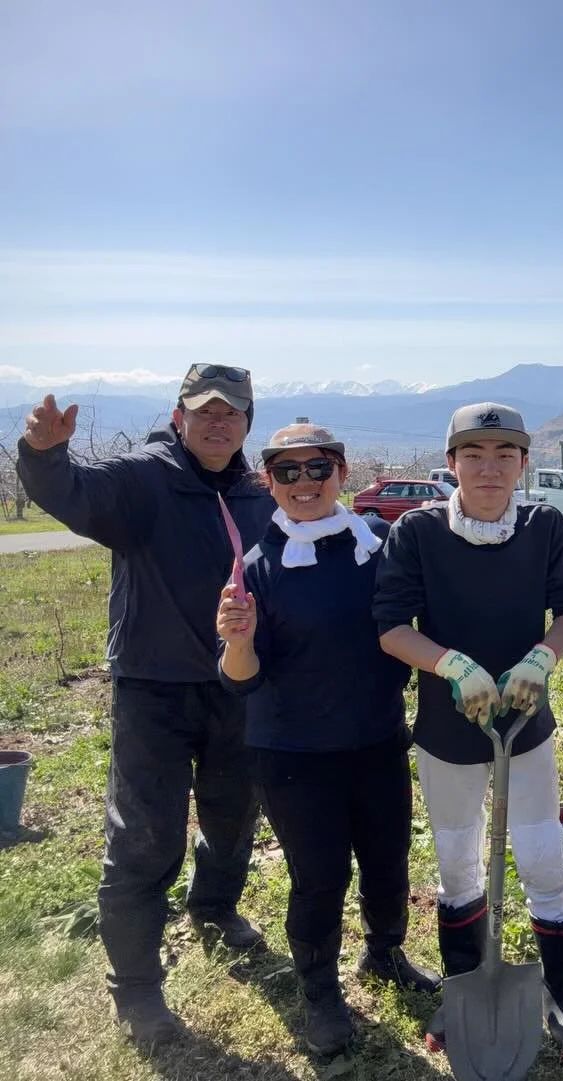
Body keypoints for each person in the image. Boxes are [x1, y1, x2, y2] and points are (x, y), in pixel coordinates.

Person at [15, 365, 273, 1047]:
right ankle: (135, 986)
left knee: (232, 812)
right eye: (204, 412)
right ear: (179, 415)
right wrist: (43, 455)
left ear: (248, 421)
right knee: (146, 834)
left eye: (232, 413)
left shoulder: (256, 491)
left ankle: (214, 906)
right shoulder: (143, 477)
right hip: (153, 688)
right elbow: (74, 492)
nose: (218, 423)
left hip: (237, 687)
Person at [372, 402, 563, 1061]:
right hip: (449, 729)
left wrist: (542, 656)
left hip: (526, 727)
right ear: (451, 463)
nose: (489, 467)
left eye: (505, 455)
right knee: (459, 863)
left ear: (524, 463)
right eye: (474, 454)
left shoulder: (545, 525)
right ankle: (465, 987)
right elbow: (391, 627)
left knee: (542, 859)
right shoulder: (417, 533)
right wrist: (450, 663)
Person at [215, 423, 439, 1057]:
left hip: (376, 738)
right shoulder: (255, 569)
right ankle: (319, 991)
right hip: (292, 754)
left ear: (342, 474)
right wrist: (237, 640)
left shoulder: (382, 546)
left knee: (388, 858)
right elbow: (239, 681)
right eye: (287, 472)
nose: (304, 482)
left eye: (318, 468)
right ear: (270, 483)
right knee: (319, 876)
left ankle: (385, 953)